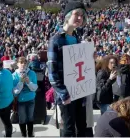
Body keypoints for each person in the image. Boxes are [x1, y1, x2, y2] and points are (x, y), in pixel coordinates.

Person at [47, 1, 88, 136]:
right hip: (66, 94)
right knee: (69, 129)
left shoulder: (77, 38)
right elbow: (52, 73)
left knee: (82, 127)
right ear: (67, 15)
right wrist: (64, 94)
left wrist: (89, 58)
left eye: (82, 15)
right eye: (77, 14)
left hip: (79, 91)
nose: (80, 18)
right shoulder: (56, 40)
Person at [12, 57, 38, 137]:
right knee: (22, 119)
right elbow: (14, 92)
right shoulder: (14, 75)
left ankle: (30, 134)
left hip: (31, 100)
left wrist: (28, 82)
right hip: (21, 101)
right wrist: (21, 82)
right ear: (17, 64)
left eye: (25, 63)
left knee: (30, 118)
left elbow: (35, 88)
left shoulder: (32, 73)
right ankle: (23, 135)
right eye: (21, 62)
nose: (23, 64)